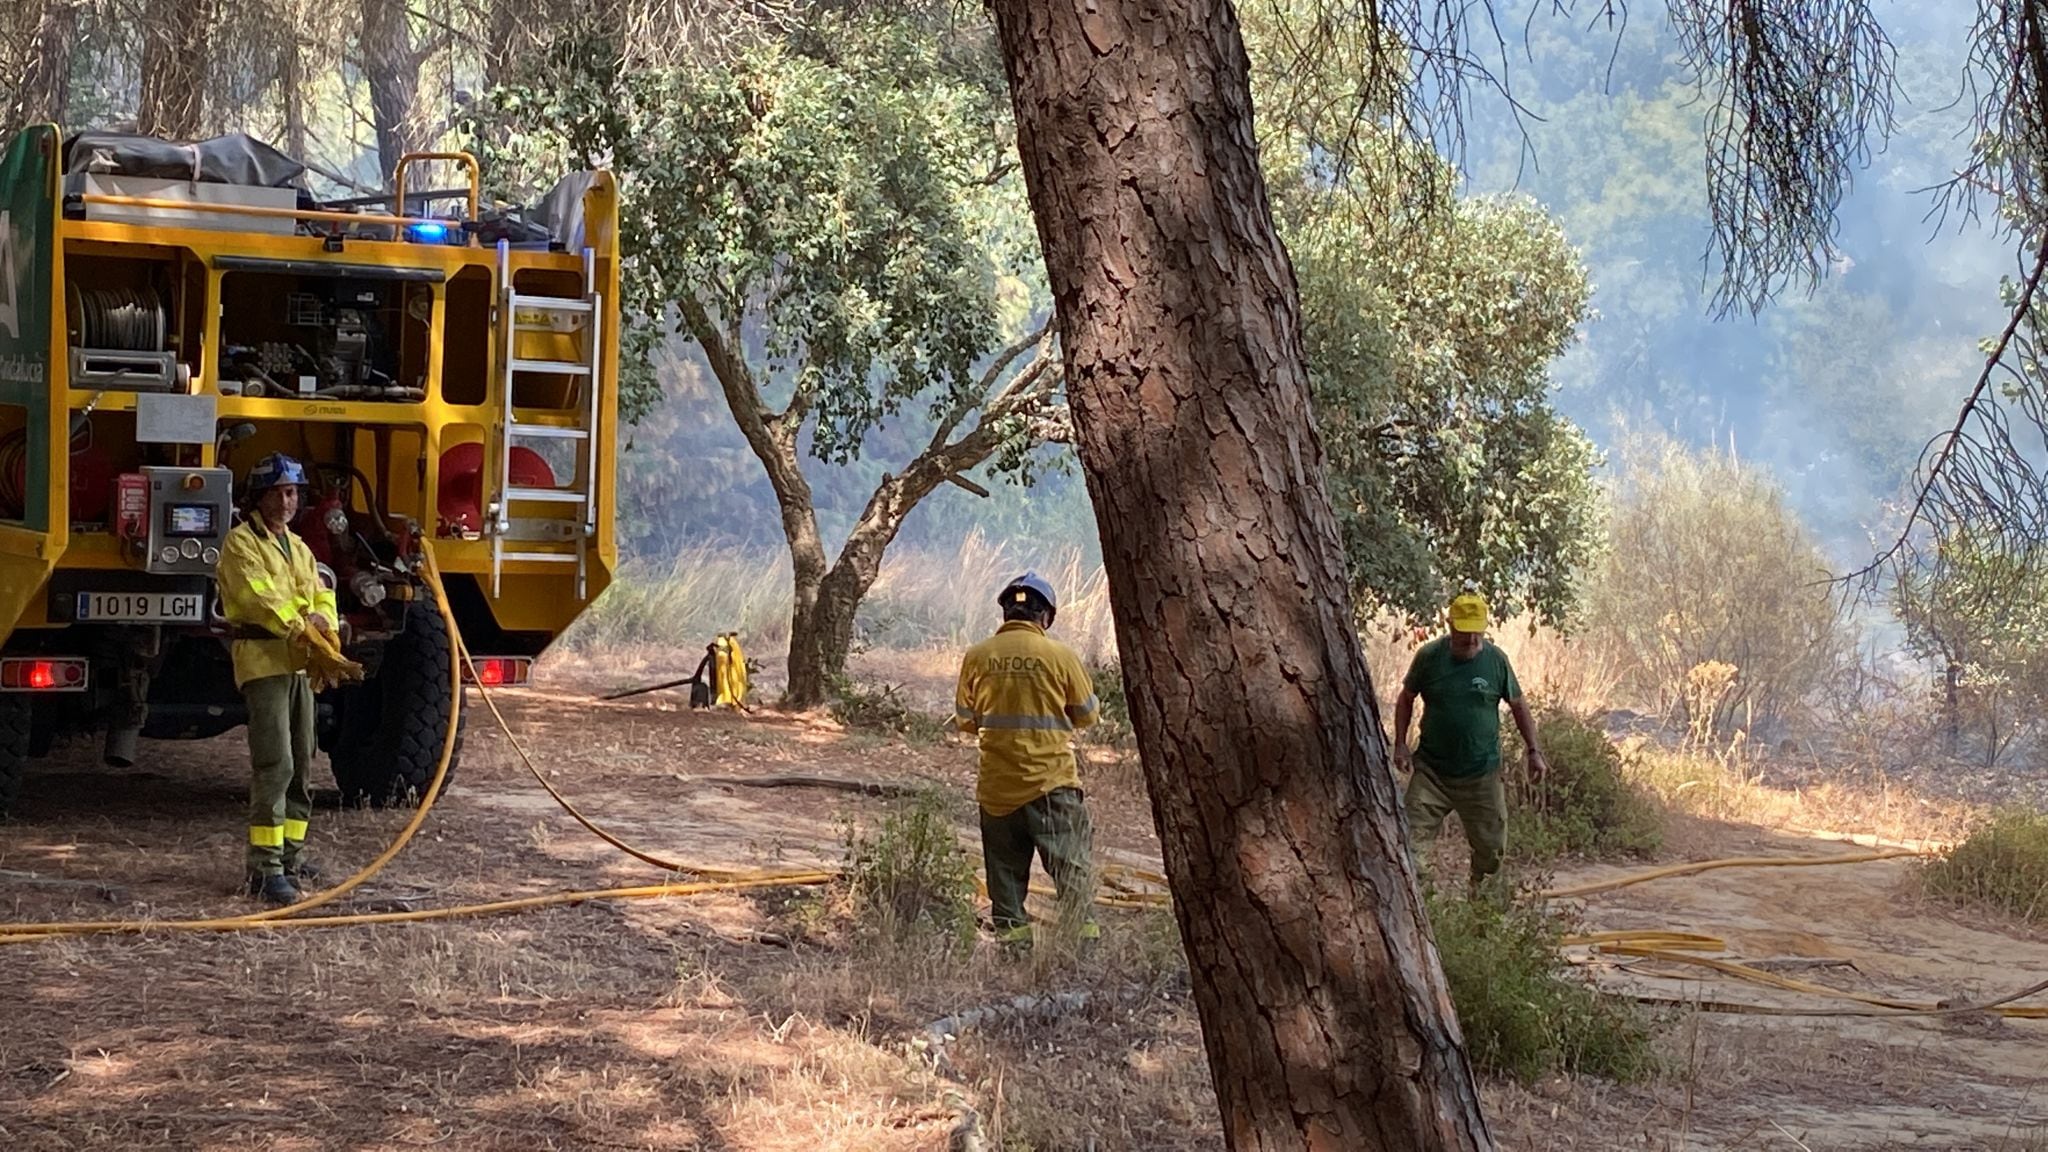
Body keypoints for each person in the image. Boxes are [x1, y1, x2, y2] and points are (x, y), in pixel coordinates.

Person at [954, 572, 1101, 946]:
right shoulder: (1061, 656)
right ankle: (1081, 951)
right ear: (1046, 617)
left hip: (998, 789)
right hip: (1052, 785)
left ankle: (1014, 949)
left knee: (1003, 876)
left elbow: (966, 721)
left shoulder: (977, 656)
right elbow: (1086, 715)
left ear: (1006, 612)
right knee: (1072, 871)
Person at [216, 452, 337, 905]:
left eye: (294, 493)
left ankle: (290, 856)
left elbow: (322, 592)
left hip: (299, 664)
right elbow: (257, 597)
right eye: (283, 492)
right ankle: (264, 870)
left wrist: (324, 625)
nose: (290, 501)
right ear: (262, 496)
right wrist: (301, 625)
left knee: (303, 764)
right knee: (276, 763)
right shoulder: (241, 545)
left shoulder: (299, 547)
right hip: (264, 663)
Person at [1392, 592, 1547, 885]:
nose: (1472, 639)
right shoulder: (1428, 658)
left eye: (1478, 631)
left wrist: (1533, 751)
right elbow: (1406, 698)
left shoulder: (1496, 660)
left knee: (1491, 855)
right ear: (1450, 626)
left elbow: (1518, 705)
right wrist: (1400, 744)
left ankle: (1482, 918)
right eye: (1465, 633)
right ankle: (1421, 912)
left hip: (1481, 775)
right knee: (1410, 850)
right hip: (1431, 774)